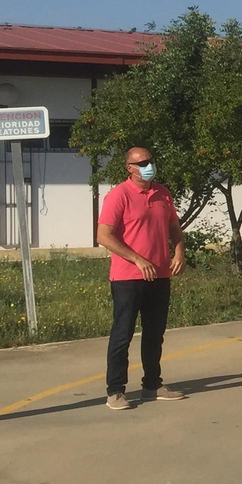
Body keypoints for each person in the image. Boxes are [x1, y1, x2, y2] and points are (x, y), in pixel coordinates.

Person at [96, 146, 185, 410]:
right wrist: (136, 258)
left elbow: (174, 228)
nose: (149, 165)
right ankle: (115, 390)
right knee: (122, 334)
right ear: (129, 168)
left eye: (151, 161)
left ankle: (152, 385)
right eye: (142, 162)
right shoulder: (118, 196)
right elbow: (103, 235)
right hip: (128, 278)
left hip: (159, 274)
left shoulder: (162, 193)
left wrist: (179, 252)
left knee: (155, 332)